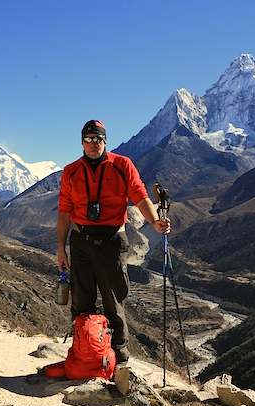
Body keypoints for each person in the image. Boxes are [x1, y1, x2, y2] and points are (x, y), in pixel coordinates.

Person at [57, 120, 171, 366]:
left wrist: (154, 223)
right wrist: (61, 249)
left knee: (113, 299)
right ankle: (83, 351)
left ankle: (118, 356)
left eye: (97, 139)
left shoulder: (122, 165)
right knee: (81, 300)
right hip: (80, 240)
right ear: (81, 142)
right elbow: (64, 211)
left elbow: (140, 196)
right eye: (88, 139)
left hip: (112, 240)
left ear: (105, 141)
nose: (93, 144)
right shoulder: (71, 171)